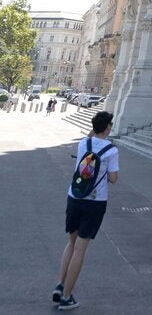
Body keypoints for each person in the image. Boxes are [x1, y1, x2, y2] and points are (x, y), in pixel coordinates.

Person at [54, 110, 119, 308]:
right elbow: (114, 178)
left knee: (71, 244)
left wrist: (96, 128)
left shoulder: (84, 143)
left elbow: (91, 136)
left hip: (74, 196)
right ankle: (66, 297)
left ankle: (60, 286)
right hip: (94, 201)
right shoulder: (111, 150)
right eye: (110, 125)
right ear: (107, 127)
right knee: (81, 249)